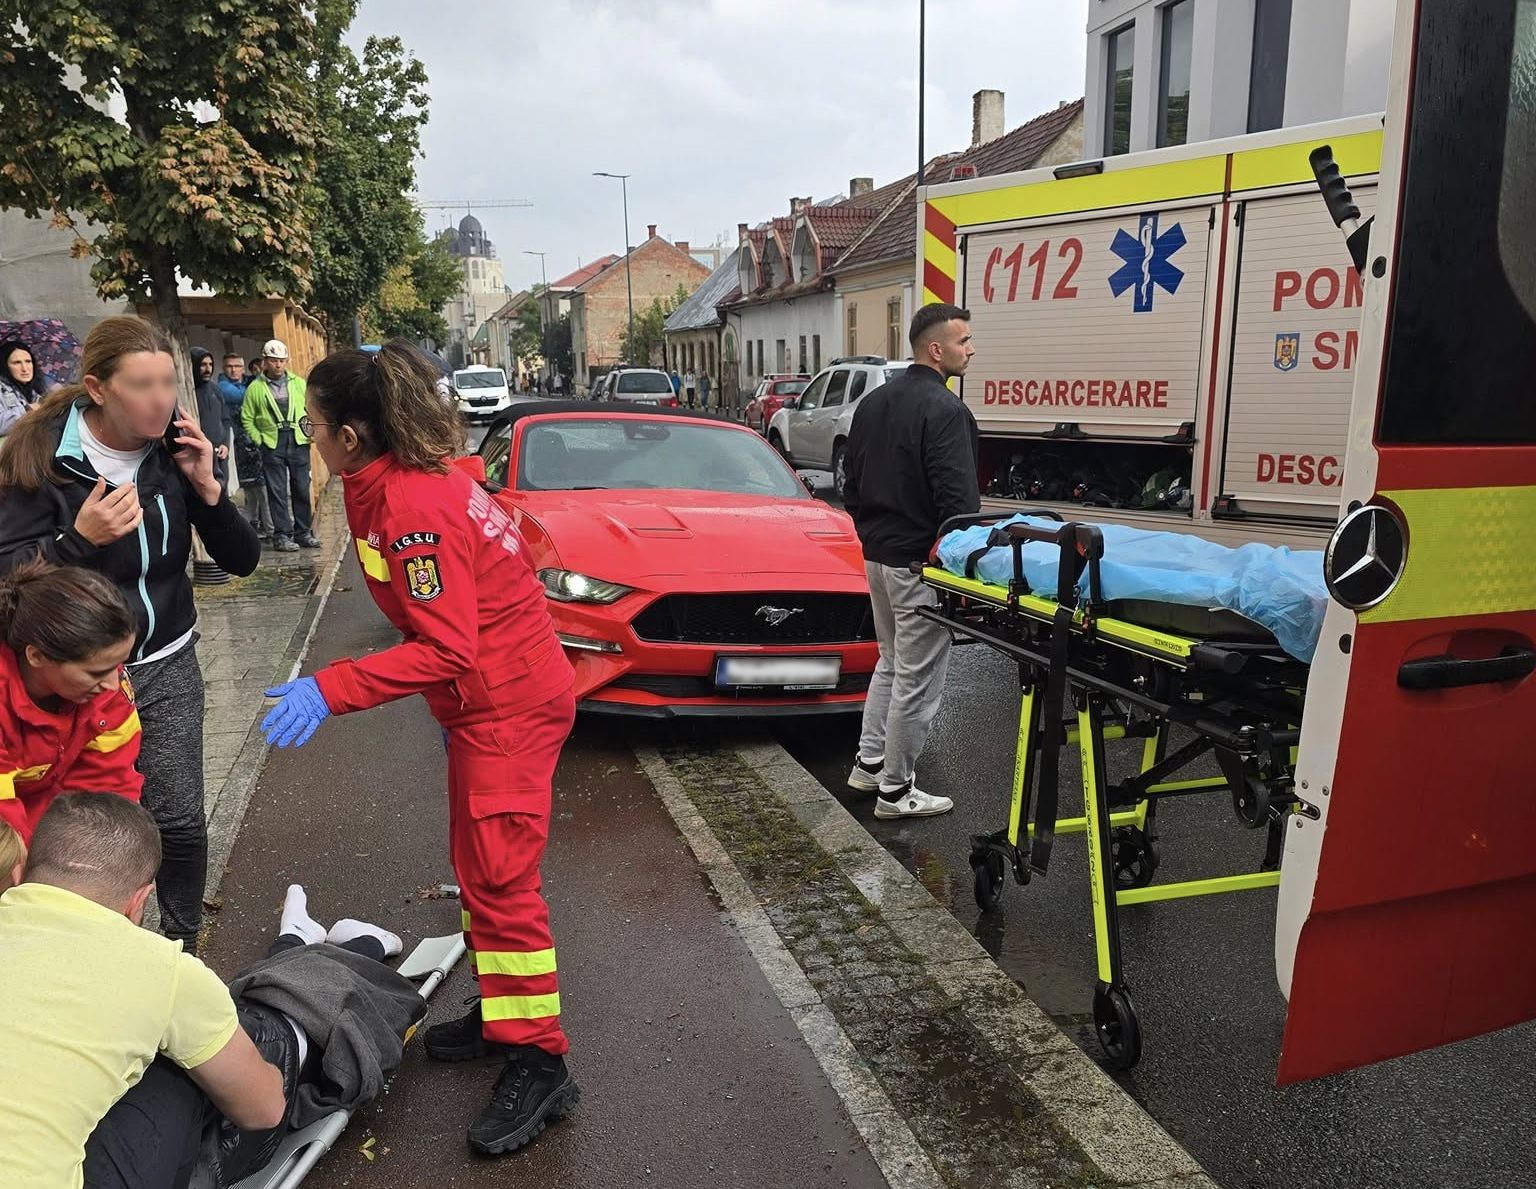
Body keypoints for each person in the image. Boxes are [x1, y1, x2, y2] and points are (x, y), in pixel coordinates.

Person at [259, 340, 580, 1156]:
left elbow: (448, 647)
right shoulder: (398, 485)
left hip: (503, 706)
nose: (309, 437)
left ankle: (540, 1059)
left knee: (502, 880)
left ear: (353, 437)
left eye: (316, 424)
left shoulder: (410, 506)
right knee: (480, 869)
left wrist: (327, 688)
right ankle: (506, 1012)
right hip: (491, 702)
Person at [0, 315, 261, 947]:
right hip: (73, 673)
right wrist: (75, 542)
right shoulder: (40, 461)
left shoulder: (172, 452)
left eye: (168, 382)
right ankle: (94, 944)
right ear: (97, 387)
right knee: (87, 825)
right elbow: (7, 580)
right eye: (141, 385)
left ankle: (180, 942)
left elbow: (242, 560)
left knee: (178, 816)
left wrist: (208, 489)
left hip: (164, 657)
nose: (161, 400)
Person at [0, 793, 289, 1189]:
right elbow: (264, 1110)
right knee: (179, 1065)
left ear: (19, 875)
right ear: (139, 902)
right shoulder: (163, 967)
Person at [841, 303, 980, 820]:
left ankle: (869, 764)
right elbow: (958, 505)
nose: (972, 349)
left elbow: (850, 485)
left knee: (891, 663)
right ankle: (897, 792)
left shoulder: (872, 403)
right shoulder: (945, 410)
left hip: (878, 556)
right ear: (935, 349)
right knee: (917, 681)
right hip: (920, 564)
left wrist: (871, 535)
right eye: (964, 341)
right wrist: (959, 569)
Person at [0, 559, 142, 840]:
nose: (113, 685)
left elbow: (108, 788)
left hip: (43, 812)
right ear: (36, 655)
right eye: (96, 672)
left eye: (118, 665)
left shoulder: (106, 692)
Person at [241, 338, 321, 552]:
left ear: (287, 361)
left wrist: (310, 432)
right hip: (272, 443)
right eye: (273, 360)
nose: (278, 365)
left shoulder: (298, 383)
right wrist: (259, 440)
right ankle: (282, 535)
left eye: (282, 360)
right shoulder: (255, 388)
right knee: (277, 492)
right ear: (265, 361)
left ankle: (303, 532)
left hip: (297, 441)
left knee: (302, 489)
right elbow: (247, 417)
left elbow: (310, 409)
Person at [221, 354, 273, 537]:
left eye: (237, 366)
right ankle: (261, 527)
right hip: (240, 443)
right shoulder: (224, 387)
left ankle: (261, 525)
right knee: (253, 490)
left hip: (257, 442)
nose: (234, 370)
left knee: (261, 489)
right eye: (229, 366)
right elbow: (245, 396)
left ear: (243, 368)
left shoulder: (250, 383)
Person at [191, 348, 232, 493]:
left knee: (223, 493)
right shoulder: (188, 393)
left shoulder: (216, 390)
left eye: (210, 364)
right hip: (200, 453)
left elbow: (226, 420)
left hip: (220, 453)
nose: (207, 369)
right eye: (203, 365)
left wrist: (225, 444)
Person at [0, 340, 47, 434]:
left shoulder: (35, 392)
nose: (25, 368)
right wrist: (26, 410)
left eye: (28, 361)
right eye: (17, 363)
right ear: (5, 366)